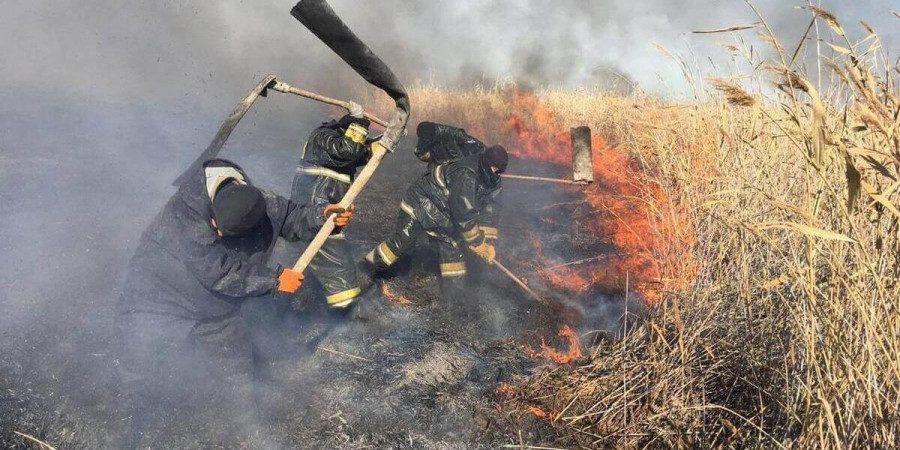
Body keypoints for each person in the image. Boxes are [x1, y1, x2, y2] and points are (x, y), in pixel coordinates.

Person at [115, 158, 352, 447]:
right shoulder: (186, 211)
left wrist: (320, 215)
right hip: (158, 294)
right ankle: (126, 417)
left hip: (213, 307)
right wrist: (274, 281)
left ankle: (245, 426)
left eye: (223, 233)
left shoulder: (255, 201)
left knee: (236, 363)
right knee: (138, 356)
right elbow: (218, 271)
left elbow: (289, 215)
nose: (216, 232)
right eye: (215, 225)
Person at [366, 121, 506, 286]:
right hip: (421, 204)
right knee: (400, 244)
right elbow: (463, 213)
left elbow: (491, 210)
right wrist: (478, 243)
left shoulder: (493, 181)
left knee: (453, 260)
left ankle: (454, 295)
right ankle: (366, 269)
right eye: (494, 168)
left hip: (445, 217)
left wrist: (488, 242)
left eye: (499, 171)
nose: (495, 173)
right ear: (486, 162)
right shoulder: (467, 173)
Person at [290, 102, 374, 310]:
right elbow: (348, 151)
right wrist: (360, 123)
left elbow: (359, 154)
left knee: (325, 264)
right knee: (340, 272)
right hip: (316, 210)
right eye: (354, 132)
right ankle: (348, 319)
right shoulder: (324, 136)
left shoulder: (332, 143)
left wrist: (383, 141)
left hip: (322, 209)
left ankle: (308, 302)